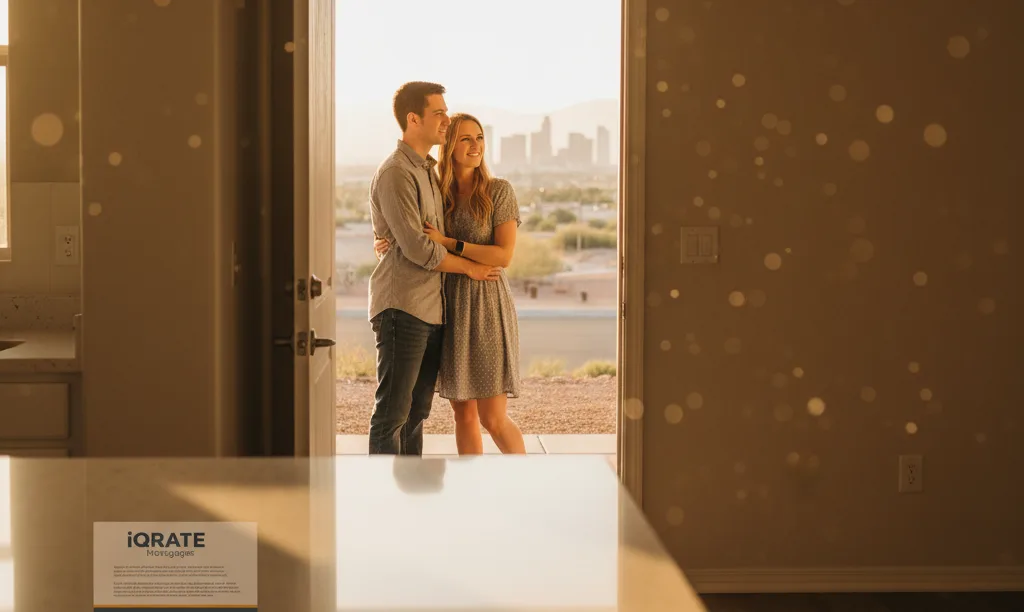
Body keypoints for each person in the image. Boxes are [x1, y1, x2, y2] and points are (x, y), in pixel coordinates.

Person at [375, 112, 527, 455]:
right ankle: (471, 484)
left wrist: (449, 243)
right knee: (463, 414)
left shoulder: (499, 191)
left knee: (493, 417)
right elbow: (410, 232)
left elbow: (503, 256)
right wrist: (384, 240)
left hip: (486, 305)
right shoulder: (437, 192)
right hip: (447, 306)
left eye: (480, 138)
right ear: (449, 146)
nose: (476, 146)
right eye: (465, 139)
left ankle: (526, 479)